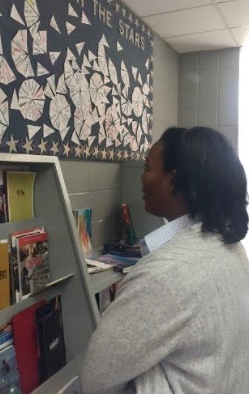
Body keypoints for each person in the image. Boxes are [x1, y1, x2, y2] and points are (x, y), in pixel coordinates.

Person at [81, 126, 249, 394]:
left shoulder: (165, 273)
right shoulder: (229, 245)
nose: (142, 177)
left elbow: (96, 377)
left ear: (172, 180)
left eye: (148, 167)